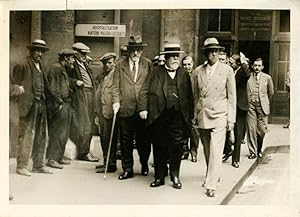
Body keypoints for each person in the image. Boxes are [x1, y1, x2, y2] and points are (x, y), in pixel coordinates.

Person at [138, 41, 193, 189]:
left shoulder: (184, 73)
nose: (176, 59)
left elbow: (190, 96)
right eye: (172, 57)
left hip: (178, 117)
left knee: (176, 147)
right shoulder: (156, 71)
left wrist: (190, 116)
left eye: (177, 56)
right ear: (166, 58)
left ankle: (175, 175)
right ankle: (159, 177)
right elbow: (144, 90)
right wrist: (143, 109)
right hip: (159, 116)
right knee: (159, 147)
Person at [192, 37, 236, 197]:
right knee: (207, 149)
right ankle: (212, 174)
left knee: (216, 150)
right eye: (211, 51)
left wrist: (231, 119)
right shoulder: (198, 71)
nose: (214, 54)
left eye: (216, 51)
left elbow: (232, 97)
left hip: (220, 114)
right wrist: (194, 115)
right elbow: (195, 96)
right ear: (206, 54)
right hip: (203, 114)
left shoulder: (227, 71)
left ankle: (211, 184)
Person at [112, 35, 152, 180]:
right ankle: (127, 168)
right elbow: (115, 86)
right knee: (125, 141)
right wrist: (116, 102)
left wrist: (146, 107)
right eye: (133, 50)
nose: (136, 54)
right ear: (129, 50)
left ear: (142, 50)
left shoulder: (147, 64)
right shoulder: (119, 64)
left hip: (142, 110)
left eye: (139, 50)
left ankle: (144, 164)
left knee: (144, 141)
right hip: (125, 109)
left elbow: (150, 87)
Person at [12, 39, 53, 176]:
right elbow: (14, 86)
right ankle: (21, 166)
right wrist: (18, 89)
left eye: (42, 51)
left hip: (41, 104)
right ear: (31, 51)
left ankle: (38, 165)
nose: (40, 54)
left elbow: (46, 86)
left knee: (42, 135)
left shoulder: (41, 66)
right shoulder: (22, 65)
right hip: (28, 105)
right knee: (27, 135)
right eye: (37, 51)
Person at [46, 48, 77, 169]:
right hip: (60, 104)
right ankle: (52, 158)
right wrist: (59, 102)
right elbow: (54, 88)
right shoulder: (56, 68)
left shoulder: (62, 68)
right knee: (58, 132)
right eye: (72, 58)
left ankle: (58, 156)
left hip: (65, 103)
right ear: (66, 58)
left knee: (64, 132)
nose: (73, 61)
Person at [69, 42, 99, 162]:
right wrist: (76, 82)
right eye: (83, 53)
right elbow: (67, 79)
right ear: (76, 53)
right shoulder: (72, 65)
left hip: (90, 94)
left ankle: (85, 151)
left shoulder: (84, 64)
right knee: (85, 124)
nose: (85, 55)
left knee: (90, 123)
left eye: (85, 53)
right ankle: (84, 152)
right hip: (81, 94)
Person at [222, 53, 251, 168]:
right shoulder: (227, 71)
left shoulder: (242, 72)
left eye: (231, 62)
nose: (229, 63)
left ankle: (236, 159)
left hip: (240, 106)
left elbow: (248, 74)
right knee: (224, 130)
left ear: (238, 64)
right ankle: (227, 150)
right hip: (227, 105)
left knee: (238, 133)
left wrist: (244, 62)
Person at [95, 52, 118, 173]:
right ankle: (106, 162)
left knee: (110, 139)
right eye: (105, 63)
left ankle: (111, 164)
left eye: (110, 63)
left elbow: (116, 93)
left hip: (110, 112)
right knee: (104, 138)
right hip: (102, 111)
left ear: (114, 63)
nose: (107, 65)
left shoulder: (116, 75)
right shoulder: (104, 75)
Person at [247, 58, 274, 159]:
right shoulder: (248, 77)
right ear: (252, 66)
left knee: (262, 130)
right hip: (251, 106)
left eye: (259, 66)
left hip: (262, 106)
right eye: (255, 65)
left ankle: (259, 149)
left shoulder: (267, 78)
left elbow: (271, 92)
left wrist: (265, 102)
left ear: (262, 67)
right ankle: (252, 152)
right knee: (251, 129)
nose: (257, 68)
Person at [181, 55, 200, 162]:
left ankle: (194, 152)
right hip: (183, 107)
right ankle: (184, 151)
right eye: (184, 65)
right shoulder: (180, 75)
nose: (187, 66)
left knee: (194, 131)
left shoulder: (196, 75)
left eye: (189, 64)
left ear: (192, 64)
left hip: (195, 106)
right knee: (183, 129)